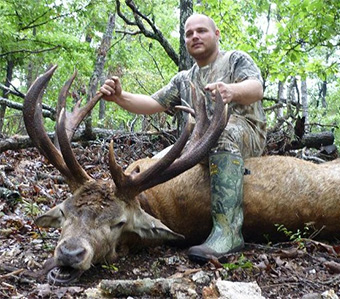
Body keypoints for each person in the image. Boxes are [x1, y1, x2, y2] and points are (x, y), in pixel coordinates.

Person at [100, 13, 266, 263]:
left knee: (221, 137)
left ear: (216, 34)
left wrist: (230, 90)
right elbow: (153, 102)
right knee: (154, 164)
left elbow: (256, 88)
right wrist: (120, 97)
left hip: (242, 132)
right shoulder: (184, 79)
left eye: (201, 31)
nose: (194, 37)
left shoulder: (235, 60)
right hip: (198, 144)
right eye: (189, 34)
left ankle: (228, 232)